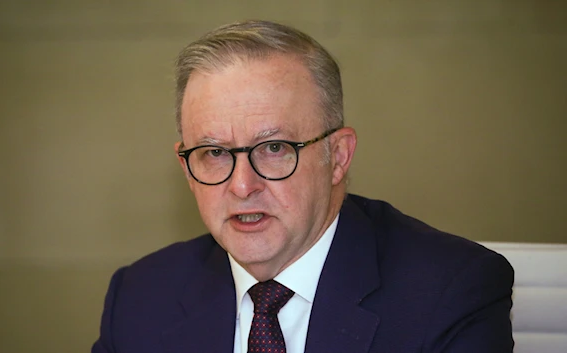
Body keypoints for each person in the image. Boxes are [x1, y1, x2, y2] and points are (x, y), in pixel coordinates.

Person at [92, 20, 514, 353]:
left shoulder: (450, 291)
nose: (242, 186)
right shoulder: (139, 297)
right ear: (186, 168)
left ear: (339, 157)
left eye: (274, 147)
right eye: (215, 153)